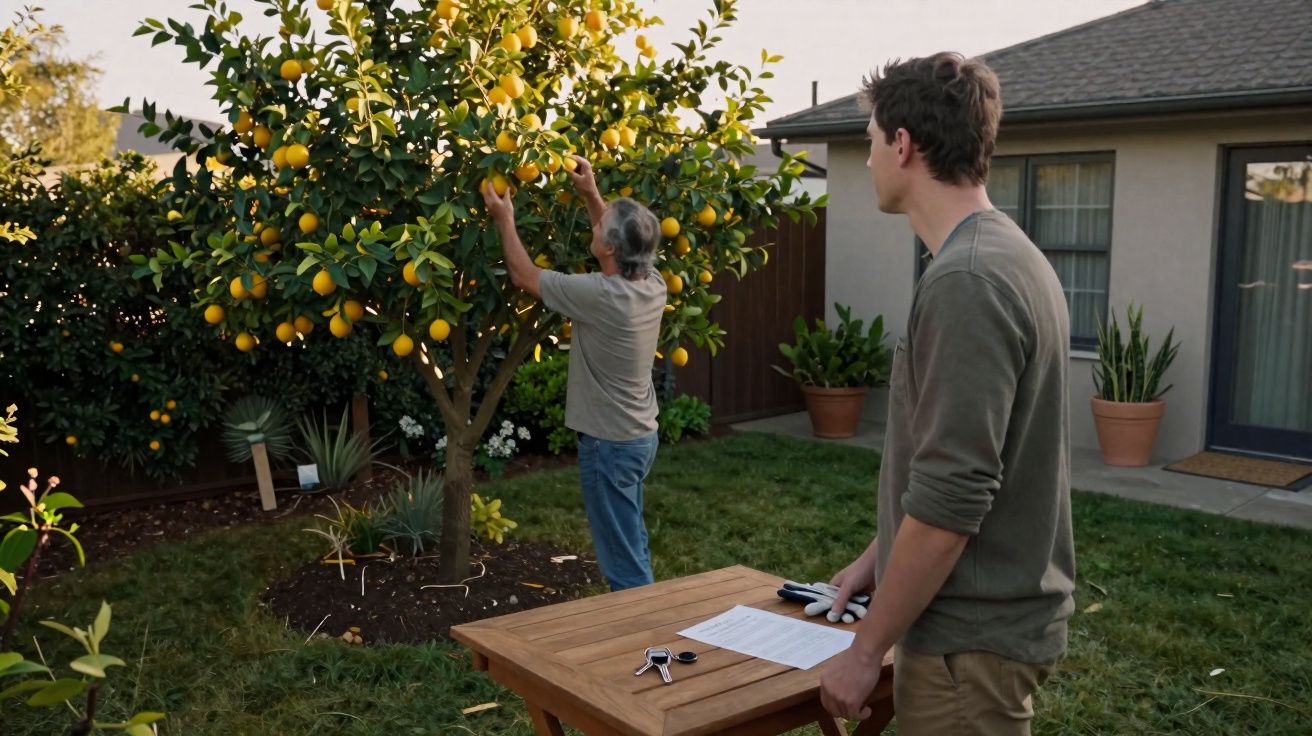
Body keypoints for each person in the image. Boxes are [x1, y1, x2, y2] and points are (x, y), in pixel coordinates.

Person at [818, 52, 1076, 735]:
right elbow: (967, 457)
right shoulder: (1007, 255)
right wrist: (879, 558)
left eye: (872, 140)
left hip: (970, 642)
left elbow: (953, 498)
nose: (869, 157)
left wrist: (865, 649)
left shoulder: (969, 281)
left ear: (903, 144)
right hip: (979, 628)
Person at [481, 156, 667, 591]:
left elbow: (522, 274)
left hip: (610, 445)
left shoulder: (600, 296)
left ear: (608, 250)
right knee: (631, 540)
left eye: (601, 227)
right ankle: (645, 614)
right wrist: (589, 193)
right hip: (638, 437)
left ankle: (641, 641)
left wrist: (504, 218)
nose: (595, 226)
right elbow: (617, 236)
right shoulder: (652, 283)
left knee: (623, 562)